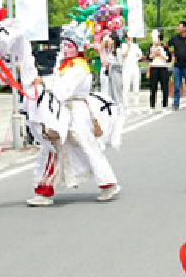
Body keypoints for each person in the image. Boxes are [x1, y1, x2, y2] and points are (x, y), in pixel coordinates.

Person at [27, 25, 121, 206]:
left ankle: (108, 183)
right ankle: (44, 190)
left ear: (78, 48)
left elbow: (63, 91)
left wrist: (44, 83)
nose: (65, 48)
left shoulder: (78, 67)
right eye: (63, 44)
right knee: (52, 147)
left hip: (76, 111)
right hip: (63, 110)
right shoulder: (66, 64)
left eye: (69, 45)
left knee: (86, 145)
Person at [147, 40, 171, 112]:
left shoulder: (165, 48)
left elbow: (169, 58)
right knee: (153, 87)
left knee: (164, 87)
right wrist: (155, 53)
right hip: (154, 68)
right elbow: (149, 57)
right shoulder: (152, 47)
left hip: (163, 68)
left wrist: (161, 55)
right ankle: (152, 106)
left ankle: (164, 105)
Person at [120, 35, 142, 107]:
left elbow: (140, 55)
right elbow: (124, 55)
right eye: (128, 37)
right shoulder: (123, 46)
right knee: (126, 87)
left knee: (136, 86)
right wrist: (128, 48)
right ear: (126, 38)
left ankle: (136, 104)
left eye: (130, 37)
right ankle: (126, 104)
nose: (129, 39)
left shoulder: (135, 46)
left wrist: (137, 59)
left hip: (134, 67)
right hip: (127, 67)